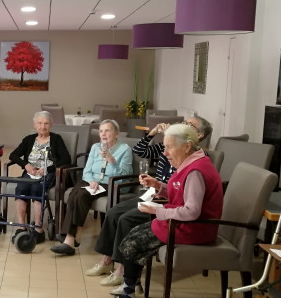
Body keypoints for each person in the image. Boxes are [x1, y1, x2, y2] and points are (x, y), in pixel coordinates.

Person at [100, 123, 223, 298]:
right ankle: (130, 287)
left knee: (132, 241)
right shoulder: (191, 162)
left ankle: (127, 296)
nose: (165, 153)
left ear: (187, 147)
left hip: (192, 228)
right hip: (180, 222)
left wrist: (158, 212)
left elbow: (192, 211)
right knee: (132, 235)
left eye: (169, 147)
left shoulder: (196, 170)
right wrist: (159, 185)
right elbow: (180, 191)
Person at [86, 116, 213, 287]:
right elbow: (140, 151)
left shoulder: (191, 158)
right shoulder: (171, 147)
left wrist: (173, 138)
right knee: (114, 211)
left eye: (189, 125)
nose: (166, 152)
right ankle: (106, 259)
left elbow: (184, 194)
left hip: (168, 201)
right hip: (157, 192)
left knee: (127, 219)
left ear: (197, 136)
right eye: (184, 123)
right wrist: (153, 134)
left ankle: (121, 270)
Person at [51, 119, 132, 256]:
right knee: (74, 193)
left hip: (112, 183)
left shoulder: (125, 150)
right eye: (101, 131)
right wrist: (91, 181)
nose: (103, 134)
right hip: (93, 181)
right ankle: (74, 235)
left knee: (82, 195)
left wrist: (112, 161)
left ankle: (71, 237)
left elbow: (124, 175)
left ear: (117, 134)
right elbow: (87, 171)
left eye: (107, 130)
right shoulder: (95, 147)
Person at [9, 111, 71, 243]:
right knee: (21, 188)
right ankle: (22, 227)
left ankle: (38, 229)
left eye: (46, 123)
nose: (43, 126)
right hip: (30, 172)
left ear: (51, 125)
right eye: (40, 123)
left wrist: (46, 169)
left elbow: (66, 159)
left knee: (37, 189)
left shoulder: (56, 139)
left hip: (48, 173)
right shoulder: (29, 139)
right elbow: (13, 155)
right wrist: (26, 165)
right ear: (34, 125)